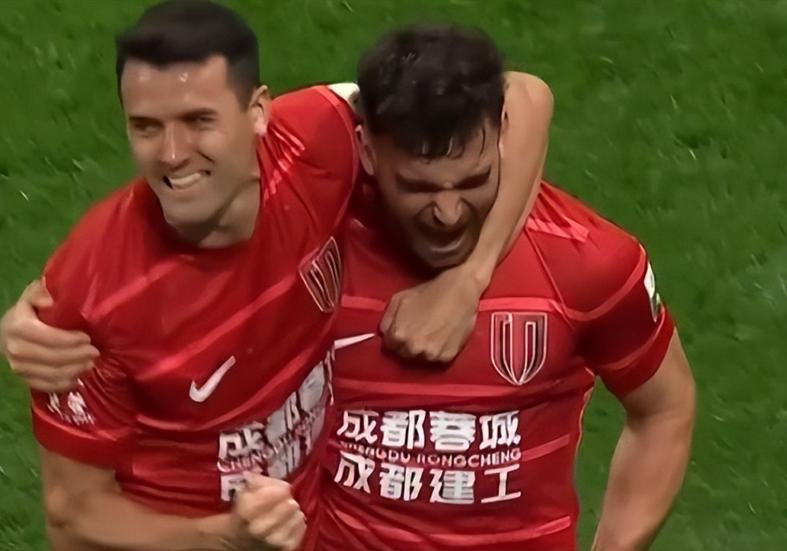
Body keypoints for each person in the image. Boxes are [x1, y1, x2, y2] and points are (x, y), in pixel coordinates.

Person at [0, 2, 552, 550]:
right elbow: (74, 518)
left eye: (199, 122)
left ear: (259, 112)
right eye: (146, 127)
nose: (172, 154)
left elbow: (523, 95)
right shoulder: (89, 300)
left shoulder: (314, 143)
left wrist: (469, 277)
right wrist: (224, 539)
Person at [316, 26, 696, 550]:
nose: (448, 213)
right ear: (367, 151)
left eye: (473, 181)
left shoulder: (584, 260)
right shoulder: (312, 239)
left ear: (502, 136)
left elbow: (665, 408)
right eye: (417, 187)